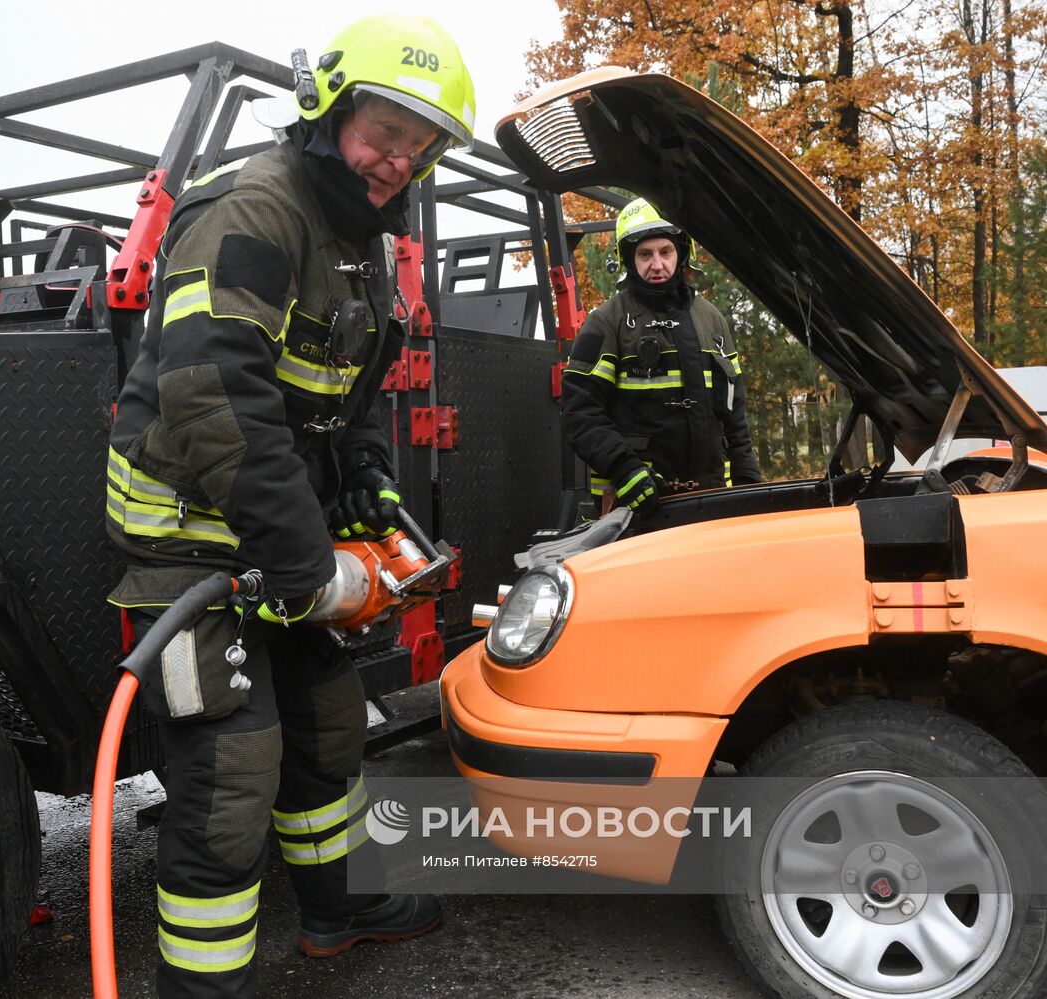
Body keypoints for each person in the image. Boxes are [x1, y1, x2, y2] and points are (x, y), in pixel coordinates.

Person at [104, 16, 474, 998]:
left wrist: (370, 491)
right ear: (326, 108)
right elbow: (213, 403)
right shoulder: (249, 214)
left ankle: (337, 910)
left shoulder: (361, 248)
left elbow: (338, 409)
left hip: (279, 539)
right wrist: (315, 574)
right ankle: (202, 986)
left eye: (417, 143)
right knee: (228, 789)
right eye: (381, 130)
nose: (396, 159)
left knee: (326, 737)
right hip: (191, 548)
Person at [560, 197, 761, 514]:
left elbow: (735, 414)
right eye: (645, 254)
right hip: (633, 504)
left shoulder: (712, 320)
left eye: (665, 252)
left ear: (682, 254)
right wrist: (626, 470)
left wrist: (748, 478)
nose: (657, 264)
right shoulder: (606, 323)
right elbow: (580, 413)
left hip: (711, 501)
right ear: (629, 259)